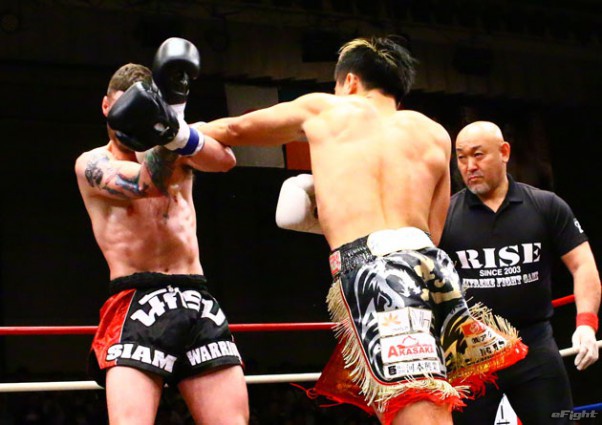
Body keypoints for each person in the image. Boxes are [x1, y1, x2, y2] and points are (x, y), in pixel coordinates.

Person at [105, 36, 532, 425]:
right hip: (433, 271)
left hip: (378, 272)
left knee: (415, 406)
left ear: (350, 81)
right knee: (427, 396)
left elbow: (230, 132)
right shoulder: (434, 134)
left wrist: (170, 127)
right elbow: (431, 233)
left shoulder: (325, 109)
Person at [74, 39, 249, 424]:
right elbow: (145, 184)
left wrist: (175, 127)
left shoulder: (180, 138)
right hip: (136, 297)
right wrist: (170, 131)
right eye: (123, 108)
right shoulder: (92, 164)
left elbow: (225, 161)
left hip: (195, 295)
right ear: (106, 106)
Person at [439, 121, 601, 424]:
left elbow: (583, 264)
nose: (469, 166)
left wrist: (586, 324)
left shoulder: (545, 205)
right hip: (470, 352)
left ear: (504, 152)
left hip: (534, 344)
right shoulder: (444, 215)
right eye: (461, 157)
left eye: (478, 154)